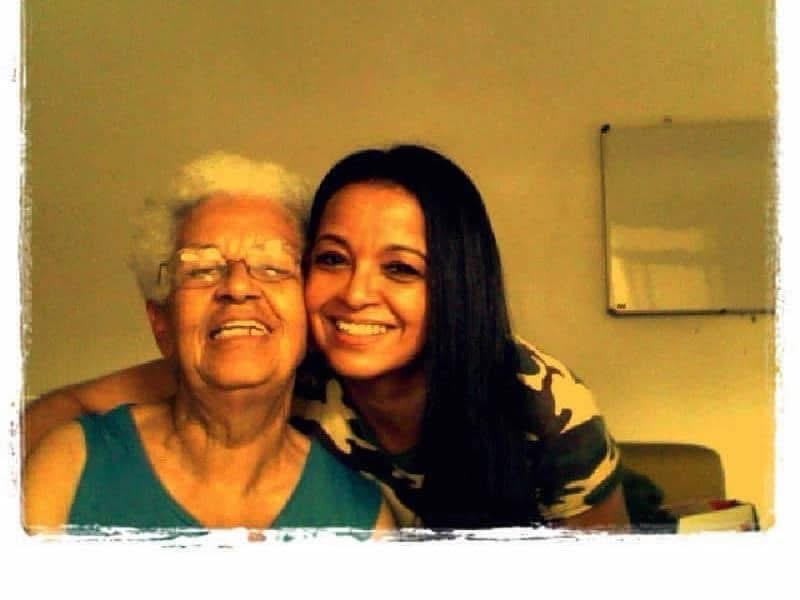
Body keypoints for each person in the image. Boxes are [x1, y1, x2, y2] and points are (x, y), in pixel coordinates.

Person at [24, 145, 628, 531]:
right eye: (333, 259)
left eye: (400, 269)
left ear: (457, 285)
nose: (355, 294)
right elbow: (77, 406)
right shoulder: (286, 360)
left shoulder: (543, 406)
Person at [22, 152, 394, 535]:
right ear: (161, 323)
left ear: (308, 316)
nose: (238, 287)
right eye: (201, 270)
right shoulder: (68, 467)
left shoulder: (362, 520)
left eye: (272, 267)